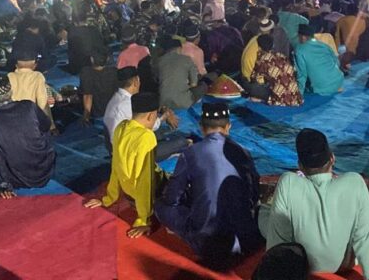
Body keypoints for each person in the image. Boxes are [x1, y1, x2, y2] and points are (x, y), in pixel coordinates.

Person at [258, 128, 369, 277]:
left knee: (264, 212)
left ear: (300, 165)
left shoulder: (288, 183)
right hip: (344, 262)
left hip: (300, 263)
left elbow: (279, 242)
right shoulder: (354, 183)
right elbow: (365, 238)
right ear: (332, 158)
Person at [157, 102, 263, 266]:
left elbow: (172, 198)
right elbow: (254, 193)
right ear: (228, 126)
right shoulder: (243, 152)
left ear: (201, 127)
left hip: (205, 242)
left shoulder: (191, 153)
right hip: (243, 239)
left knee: (162, 207)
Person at [85, 92, 165, 238]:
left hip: (128, 193)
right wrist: (144, 218)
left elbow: (116, 165)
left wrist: (108, 198)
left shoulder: (121, 127)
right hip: (145, 198)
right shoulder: (147, 137)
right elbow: (145, 180)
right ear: (151, 116)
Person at [0, 76, 55, 198]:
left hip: (18, 180)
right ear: (11, 92)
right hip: (46, 169)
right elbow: (46, 126)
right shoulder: (28, 105)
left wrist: (4, 185)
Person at [103, 67, 188, 161]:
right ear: (135, 82)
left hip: (117, 147)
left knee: (159, 135)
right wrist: (164, 116)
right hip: (130, 155)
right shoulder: (128, 104)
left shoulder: (116, 98)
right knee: (181, 142)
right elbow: (149, 125)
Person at [250, 34, 303, 106]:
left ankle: (264, 99)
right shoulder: (282, 56)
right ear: (273, 45)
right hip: (295, 98)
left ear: (259, 47)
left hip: (280, 100)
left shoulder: (263, 60)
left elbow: (254, 78)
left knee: (253, 88)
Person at [156, 36, 204, 110]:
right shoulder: (186, 59)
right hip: (183, 102)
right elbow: (194, 84)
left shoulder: (159, 61)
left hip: (162, 102)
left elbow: (157, 79)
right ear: (179, 48)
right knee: (203, 86)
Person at [294, 24, 344, 95]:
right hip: (338, 80)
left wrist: (299, 93)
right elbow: (337, 62)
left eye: (298, 36)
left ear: (303, 37)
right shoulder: (324, 45)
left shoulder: (299, 50)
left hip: (322, 87)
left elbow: (302, 74)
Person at [8, 50, 53, 120]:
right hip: (31, 115)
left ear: (16, 65)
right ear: (34, 66)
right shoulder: (38, 76)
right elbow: (42, 101)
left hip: (12, 115)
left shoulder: (9, 76)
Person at [80, 51, 118, 124]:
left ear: (92, 59)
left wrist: (86, 116)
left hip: (96, 113)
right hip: (113, 110)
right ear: (107, 59)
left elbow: (88, 96)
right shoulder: (114, 72)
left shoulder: (86, 72)